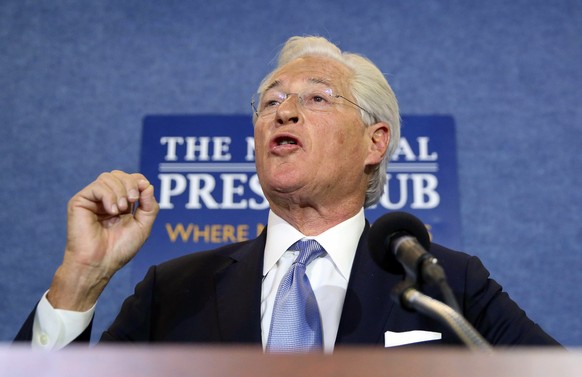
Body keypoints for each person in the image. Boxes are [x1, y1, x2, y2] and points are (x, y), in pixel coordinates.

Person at [15, 36, 559, 351]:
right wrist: (79, 283)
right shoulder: (174, 291)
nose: (285, 111)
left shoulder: (448, 282)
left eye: (318, 98)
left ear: (375, 141)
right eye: (271, 101)